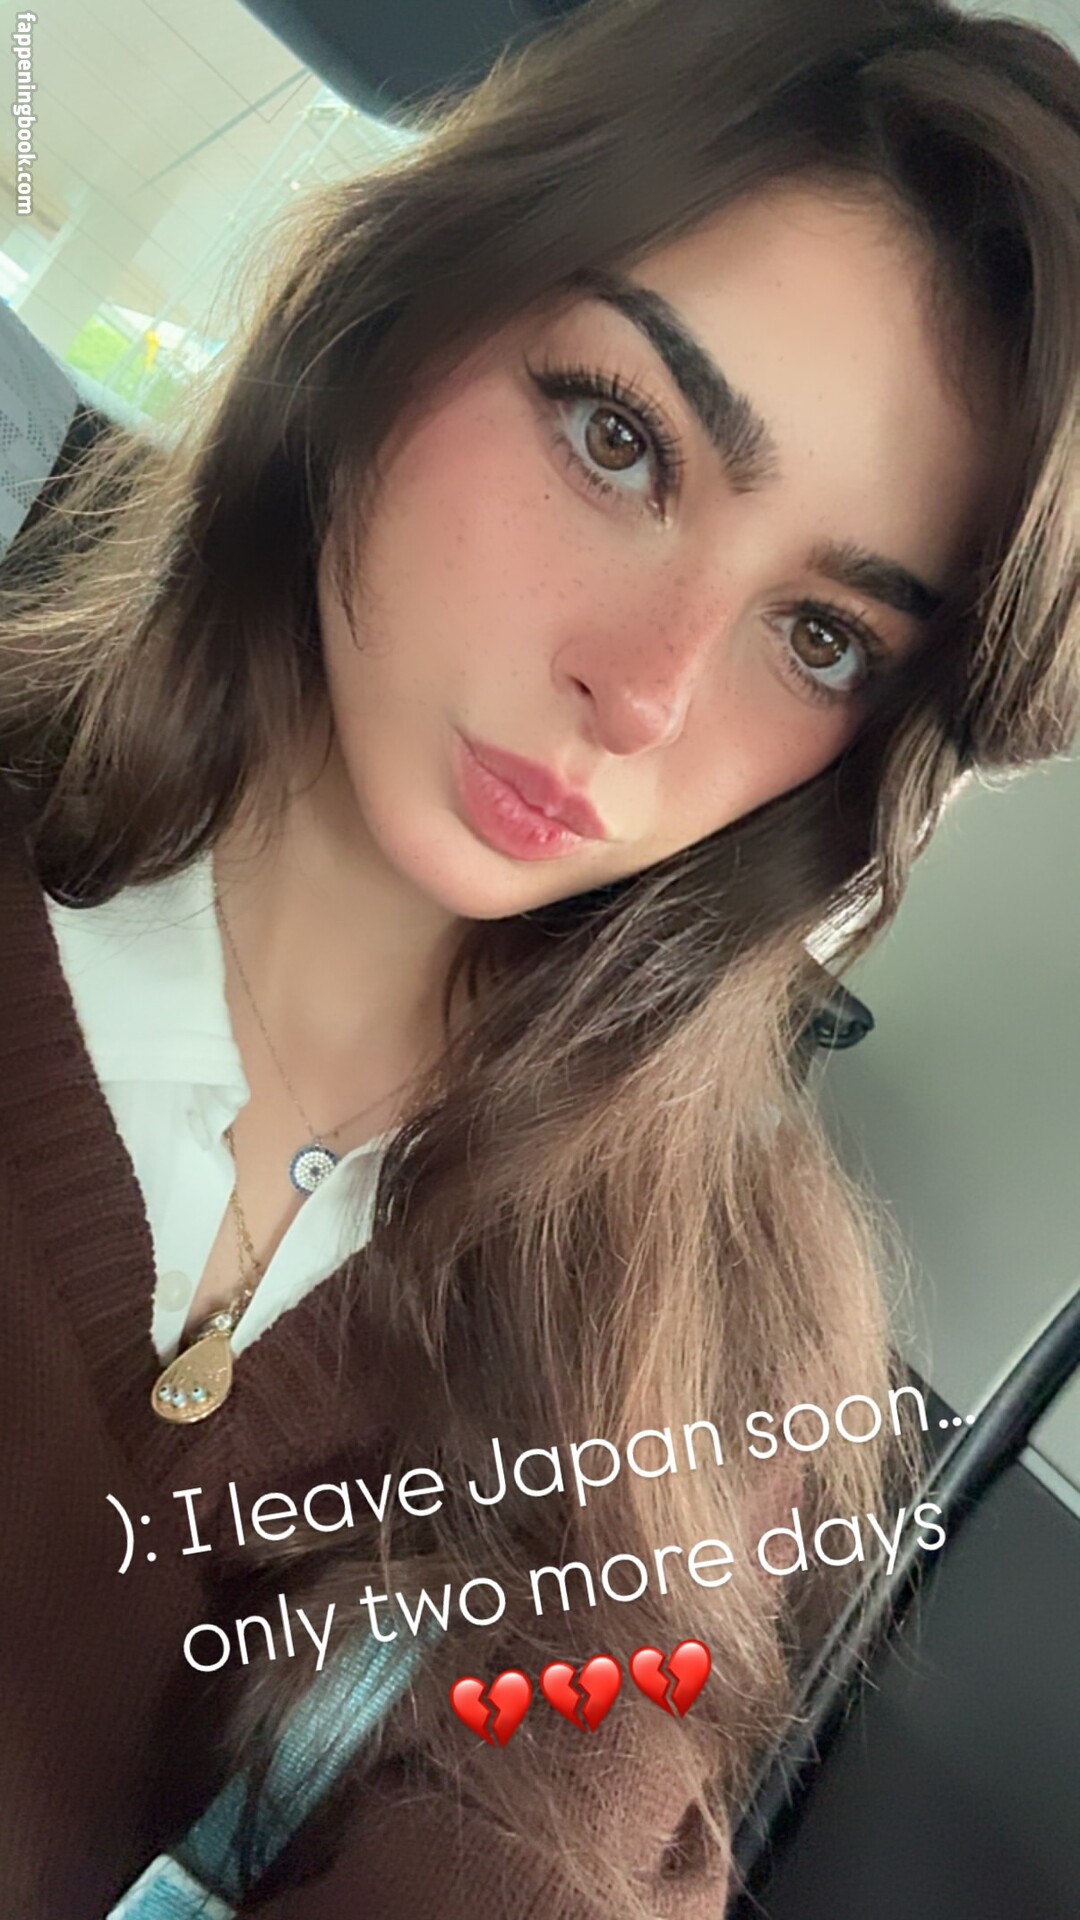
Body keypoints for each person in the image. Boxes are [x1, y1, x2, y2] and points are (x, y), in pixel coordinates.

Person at [0, 0, 1077, 1914]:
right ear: (403, 308)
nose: (643, 693)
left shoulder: (710, 1355)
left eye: (822, 634)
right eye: (619, 439)